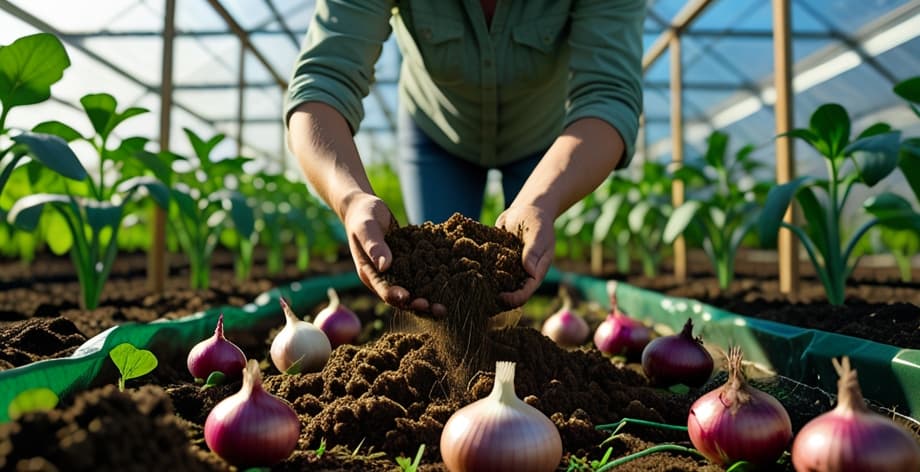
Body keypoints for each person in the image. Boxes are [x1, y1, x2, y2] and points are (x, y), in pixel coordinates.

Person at [285, 0, 644, 315]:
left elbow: (609, 95)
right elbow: (323, 80)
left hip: (545, 142)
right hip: (437, 131)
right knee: (441, 290)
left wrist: (542, 201)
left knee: (515, 276)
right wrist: (351, 199)